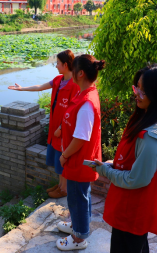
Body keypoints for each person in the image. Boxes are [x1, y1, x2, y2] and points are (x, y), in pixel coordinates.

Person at [94, 64, 157, 253]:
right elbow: (138, 164)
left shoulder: (150, 136)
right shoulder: (152, 118)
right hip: (130, 209)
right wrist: (115, 164)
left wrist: (106, 171)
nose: (136, 93)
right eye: (136, 87)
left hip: (132, 212)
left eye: (143, 91)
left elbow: (137, 179)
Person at [8, 50, 80, 198]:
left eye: (58, 63)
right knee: (58, 157)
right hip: (55, 127)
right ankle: (60, 185)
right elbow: (40, 86)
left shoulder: (75, 85)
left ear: (65, 65)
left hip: (64, 129)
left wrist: (61, 128)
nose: (56, 66)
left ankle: (64, 189)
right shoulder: (58, 80)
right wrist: (22, 89)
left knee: (63, 157)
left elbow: (74, 111)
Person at [55, 54, 105, 251]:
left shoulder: (87, 103)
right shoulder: (84, 93)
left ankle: (79, 238)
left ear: (81, 73)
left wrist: (64, 155)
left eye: (73, 69)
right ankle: (77, 226)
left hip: (78, 160)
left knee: (78, 198)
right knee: (79, 196)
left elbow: (81, 138)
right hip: (78, 159)